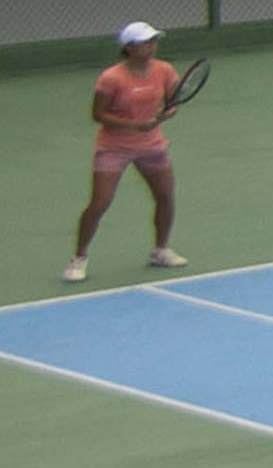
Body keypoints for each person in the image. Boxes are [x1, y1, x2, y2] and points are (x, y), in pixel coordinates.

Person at [68, 21, 185, 283]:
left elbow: (173, 103)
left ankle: (160, 250)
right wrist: (135, 125)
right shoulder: (111, 78)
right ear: (130, 48)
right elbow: (98, 114)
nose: (153, 46)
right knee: (100, 203)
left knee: (165, 195)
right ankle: (78, 258)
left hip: (151, 145)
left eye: (154, 40)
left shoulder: (164, 70)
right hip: (113, 147)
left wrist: (164, 116)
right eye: (146, 42)